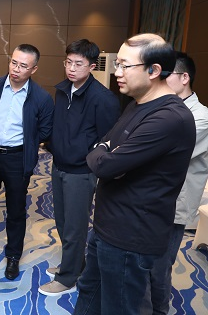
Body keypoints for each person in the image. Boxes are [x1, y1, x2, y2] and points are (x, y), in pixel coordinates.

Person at [74, 33, 196, 315]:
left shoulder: (169, 118)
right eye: (117, 64)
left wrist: (106, 154)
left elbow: (104, 165)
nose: (116, 72)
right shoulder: (136, 104)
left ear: (153, 70)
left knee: (119, 307)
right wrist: (106, 151)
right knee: (89, 295)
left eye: (124, 66)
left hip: (131, 237)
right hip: (107, 227)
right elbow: (102, 147)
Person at [40, 39, 120, 296]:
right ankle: (75, 263)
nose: (71, 69)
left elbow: (107, 139)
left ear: (92, 66)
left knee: (75, 226)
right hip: (59, 165)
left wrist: (89, 161)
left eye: (78, 64)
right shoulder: (63, 89)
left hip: (82, 171)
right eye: (68, 62)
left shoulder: (103, 98)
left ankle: (68, 278)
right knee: (62, 221)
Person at [0, 44, 53, 281]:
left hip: (17, 157)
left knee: (16, 209)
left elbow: (45, 130)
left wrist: (28, 142)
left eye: (23, 66)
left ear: (33, 69)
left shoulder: (42, 98)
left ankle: (13, 255)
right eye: (13, 62)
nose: (16, 69)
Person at [147, 51, 208, 314]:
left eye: (165, 74)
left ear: (184, 78)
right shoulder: (161, 107)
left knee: (160, 266)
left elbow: (164, 154)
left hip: (175, 203)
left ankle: (159, 310)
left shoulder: (201, 117)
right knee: (144, 262)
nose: (159, 79)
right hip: (151, 198)